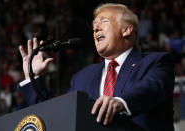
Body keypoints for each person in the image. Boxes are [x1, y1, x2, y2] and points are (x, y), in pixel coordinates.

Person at [18, 3, 175, 131]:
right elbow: (53, 119)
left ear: (126, 30)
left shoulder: (156, 62)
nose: (95, 28)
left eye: (103, 21)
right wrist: (33, 77)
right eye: (94, 25)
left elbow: (151, 89)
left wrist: (121, 102)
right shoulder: (81, 78)